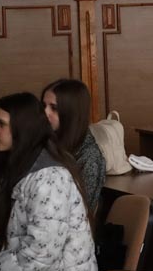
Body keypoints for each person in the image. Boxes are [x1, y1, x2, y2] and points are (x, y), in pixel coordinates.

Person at [0, 92, 98, 271]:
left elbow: (39, 258)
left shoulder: (50, 179)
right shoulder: (22, 165)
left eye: (1, 124)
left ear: (23, 128)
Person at [41, 78, 105, 211]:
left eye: (53, 108)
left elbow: (81, 211)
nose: (45, 113)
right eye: (43, 106)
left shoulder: (89, 156)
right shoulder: (45, 141)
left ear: (71, 113)